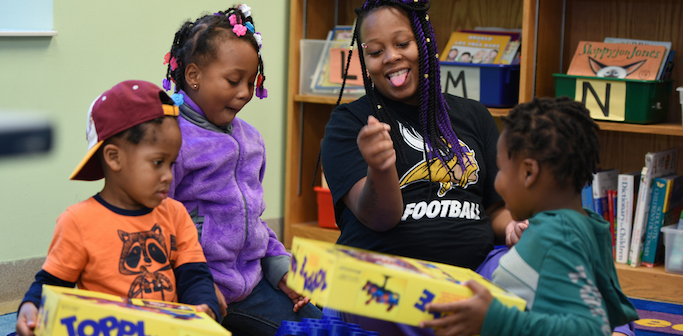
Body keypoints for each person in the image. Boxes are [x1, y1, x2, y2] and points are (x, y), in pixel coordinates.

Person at [320, 0, 523, 333]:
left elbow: (494, 209)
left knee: (546, 261)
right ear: (366, 62)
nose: (391, 57)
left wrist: (513, 227)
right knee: (401, 305)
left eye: (402, 43)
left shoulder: (475, 116)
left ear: (425, 42)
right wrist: (381, 168)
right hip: (387, 277)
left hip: (474, 274)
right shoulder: (349, 123)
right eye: (375, 51)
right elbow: (378, 218)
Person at [162, 4, 322, 335]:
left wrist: (280, 269)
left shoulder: (250, 140)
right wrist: (196, 287)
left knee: (319, 327)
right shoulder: (169, 137)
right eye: (234, 81)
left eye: (251, 82)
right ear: (193, 76)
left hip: (250, 287)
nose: (244, 93)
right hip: (190, 290)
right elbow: (156, 226)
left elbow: (252, 220)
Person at [15, 80, 220, 336]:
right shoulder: (78, 222)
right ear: (114, 158)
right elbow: (51, 284)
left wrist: (205, 307)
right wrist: (31, 306)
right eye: (157, 162)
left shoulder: (176, 214)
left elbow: (194, 275)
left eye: (171, 163)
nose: (168, 175)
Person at [420, 97, 639, 336]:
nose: (497, 181)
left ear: (528, 172)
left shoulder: (555, 236)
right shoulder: (588, 224)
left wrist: (496, 319)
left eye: (501, 169)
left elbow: (591, 329)